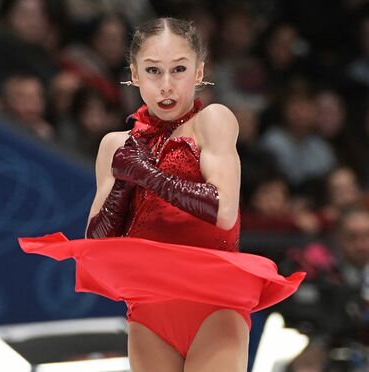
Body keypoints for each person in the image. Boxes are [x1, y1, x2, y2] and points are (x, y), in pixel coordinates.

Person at [19, 17, 305, 371]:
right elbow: (96, 243)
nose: (166, 85)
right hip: (149, 313)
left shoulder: (213, 120)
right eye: (153, 71)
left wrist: (145, 173)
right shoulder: (115, 145)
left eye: (179, 69)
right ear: (135, 75)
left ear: (199, 72)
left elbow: (224, 210)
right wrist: (124, 182)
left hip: (214, 304)